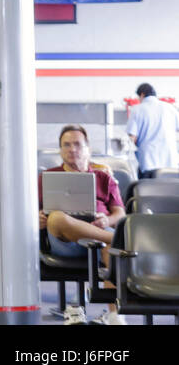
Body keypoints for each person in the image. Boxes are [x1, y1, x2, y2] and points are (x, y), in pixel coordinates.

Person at [38, 124, 126, 324]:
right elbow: (28, 212)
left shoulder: (103, 177)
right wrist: (38, 217)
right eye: (66, 145)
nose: (72, 149)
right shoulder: (48, 177)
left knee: (110, 246)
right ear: (60, 150)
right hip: (64, 240)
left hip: (99, 235)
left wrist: (107, 219)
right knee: (57, 217)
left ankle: (114, 315)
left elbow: (120, 213)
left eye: (77, 144)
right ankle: (116, 239)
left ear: (88, 148)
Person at [127, 83, 179, 178]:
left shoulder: (137, 110)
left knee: (149, 190)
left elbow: (132, 138)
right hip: (170, 161)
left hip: (149, 161)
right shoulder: (170, 108)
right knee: (171, 191)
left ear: (142, 95)